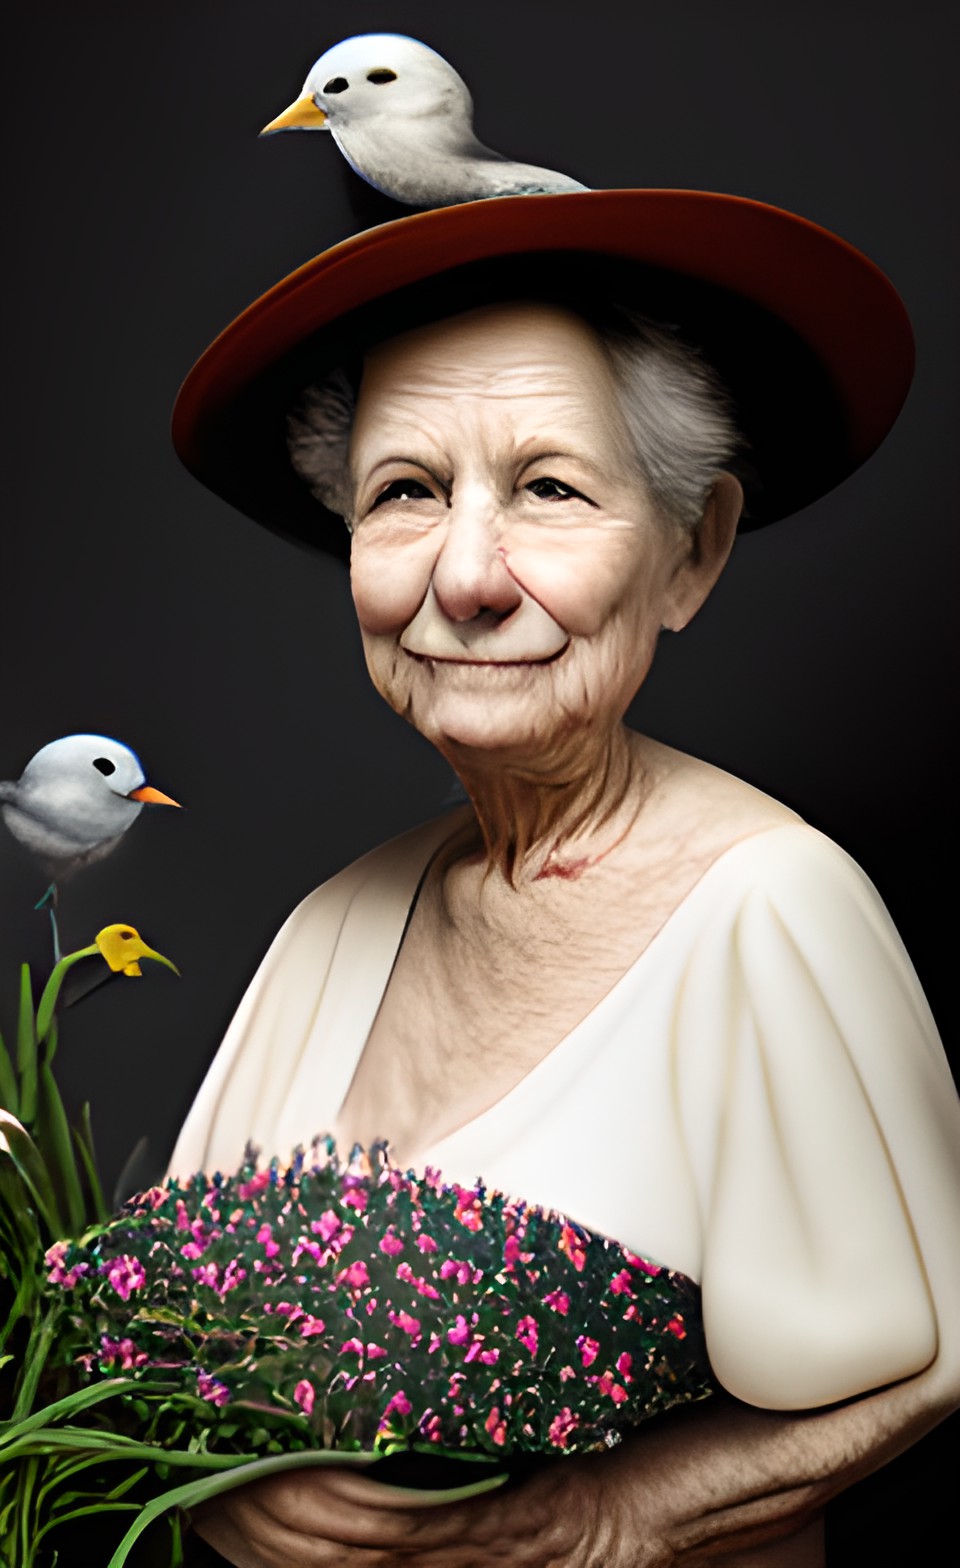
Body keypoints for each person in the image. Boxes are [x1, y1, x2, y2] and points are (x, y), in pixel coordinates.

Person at [165, 192, 960, 1566]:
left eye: (549, 489)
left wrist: (610, 1519)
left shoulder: (774, 909)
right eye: (407, 492)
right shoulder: (328, 929)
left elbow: (939, 1348)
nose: (467, 576)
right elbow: (172, 1330)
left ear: (691, 552)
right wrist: (218, 1486)